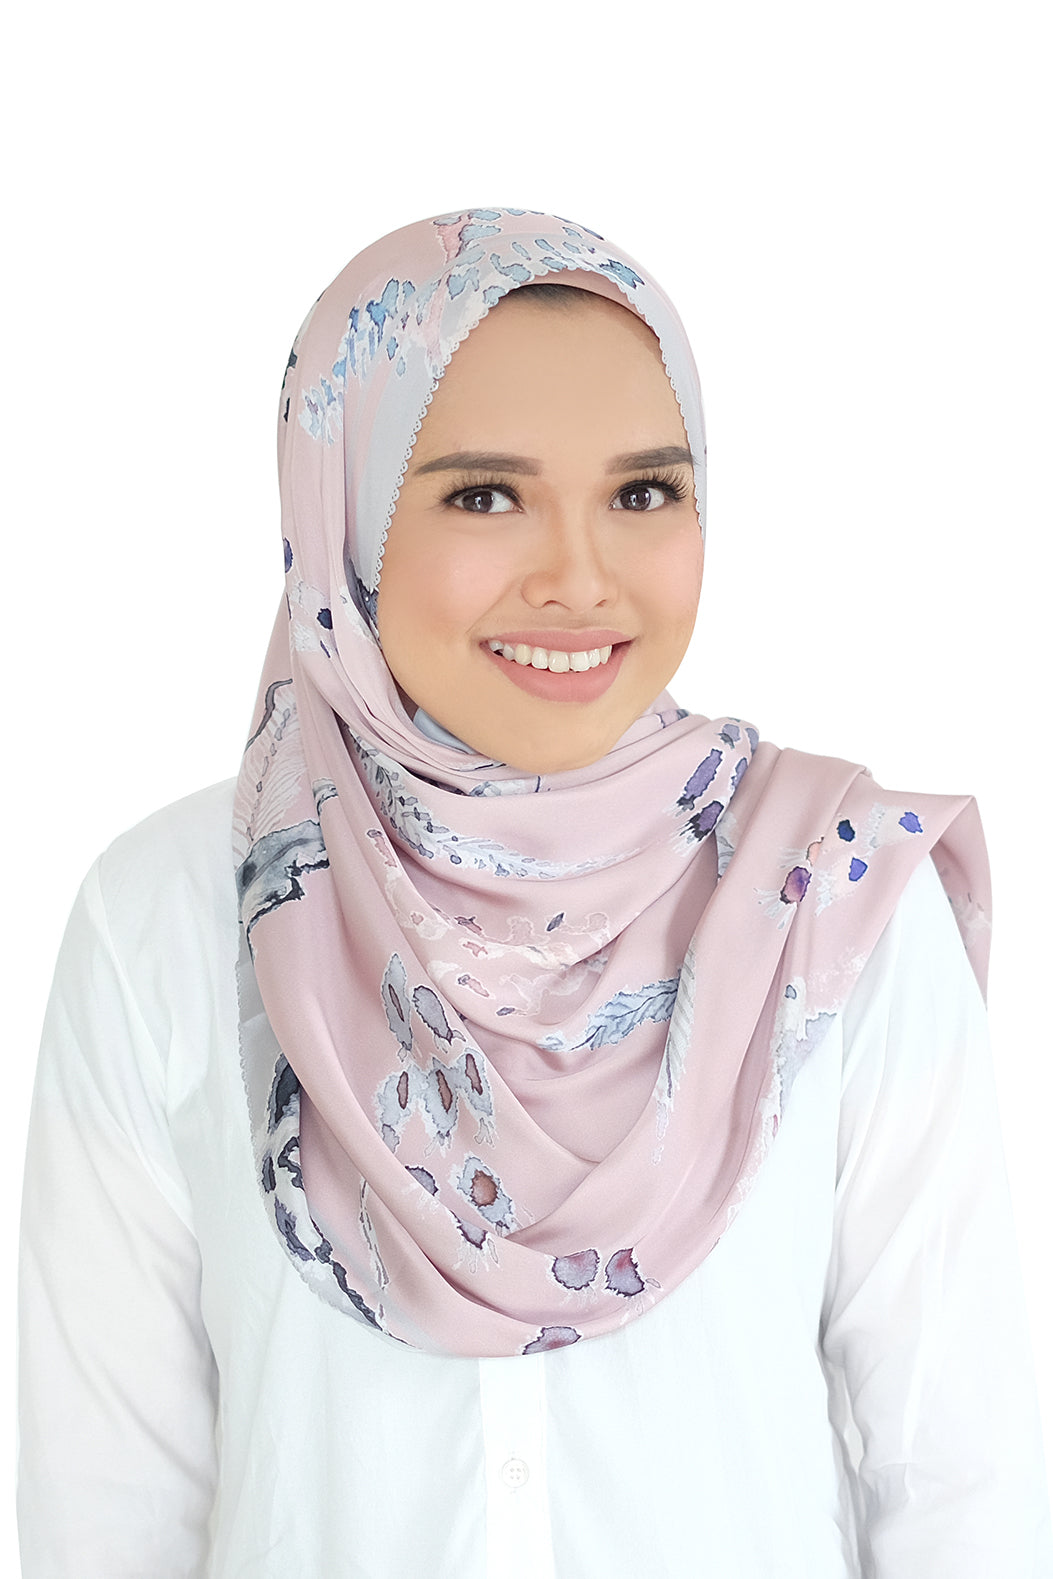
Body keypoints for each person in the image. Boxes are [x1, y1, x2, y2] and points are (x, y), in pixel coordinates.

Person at [17, 207, 1053, 1578]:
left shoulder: (832, 899)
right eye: (484, 496)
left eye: (643, 494)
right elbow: (107, 1505)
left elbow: (959, 1487)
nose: (578, 578)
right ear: (340, 512)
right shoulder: (167, 918)